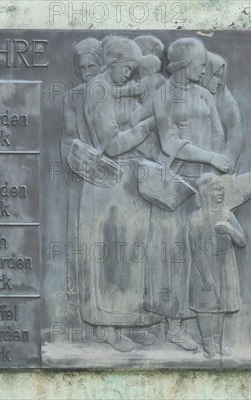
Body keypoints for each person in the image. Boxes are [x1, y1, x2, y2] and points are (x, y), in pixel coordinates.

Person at [145, 37, 230, 351]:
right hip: (177, 187)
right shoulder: (162, 95)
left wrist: (216, 166)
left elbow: (219, 133)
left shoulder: (205, 94)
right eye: (199, 63)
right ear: (183, 64)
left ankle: (205, 321)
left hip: (206, 185)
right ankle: (174, 325)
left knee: (205, 253)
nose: (204, 69)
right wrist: (209, 158)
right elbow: (169, 141)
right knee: (175, 255)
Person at [77, 36, 160, 352]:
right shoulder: (98, 88)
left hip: (131, 183)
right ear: (113, 63)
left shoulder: (119, 88)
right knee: (110, 256)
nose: (130, 74)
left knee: (133, 255)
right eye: (127, 67)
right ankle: (106, 326)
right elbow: (111, 144)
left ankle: (130, 320)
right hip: (108, 185)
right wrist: (148, 126)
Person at [61, 38, 102, 314]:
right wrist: (81, 156)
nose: (87, 72)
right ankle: (85, 309)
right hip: (85, 179)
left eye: (92, 66)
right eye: (82, 68)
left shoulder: (120, 93)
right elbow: (67, 139)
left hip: (119, 182)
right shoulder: (72, 98)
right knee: (86, 246)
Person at [188, 173, 247, 358]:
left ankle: (218, 341)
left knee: (221, 305)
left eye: (221, 188)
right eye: (215, 189)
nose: (220, 192)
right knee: (205, 306)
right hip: (204, 266)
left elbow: (242, 241)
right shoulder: (196, 218)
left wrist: (230, 230)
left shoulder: (227, 214)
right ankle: (207, 343)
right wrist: (205, 275)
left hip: (225, 265)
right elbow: (196, 250)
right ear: (205, 193)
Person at [199, 52, 243, 173]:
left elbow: (234, 139)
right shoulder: (188, 95)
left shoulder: (228, 103)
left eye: (220, 77)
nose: (218, 82)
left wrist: (224, 171)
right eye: (215, 75)